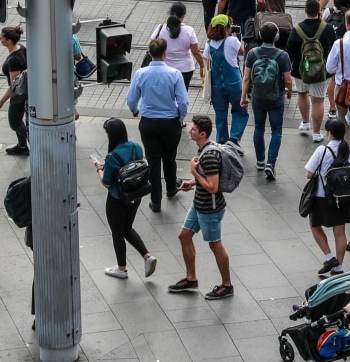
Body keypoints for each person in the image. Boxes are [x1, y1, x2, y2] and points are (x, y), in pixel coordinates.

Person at [167, 116, 233, 300]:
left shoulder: (210, 156)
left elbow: (212, 186)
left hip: (209, 209)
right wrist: (192, 182)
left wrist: (194, 172)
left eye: (194, 129)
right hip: (199, 204)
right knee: (184, 236)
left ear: (202, 134)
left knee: (215, 245)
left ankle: (227, 285)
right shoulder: (205, 149)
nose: (190, 131)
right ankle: (191, 279)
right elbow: (208, 180)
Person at [126, 38, 190, 213]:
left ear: (149, 53)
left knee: (153, 161)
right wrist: (180, 116)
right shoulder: (175, 74)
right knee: (170, 157)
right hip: (170, 122)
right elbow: (183, 101)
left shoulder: (140, 74)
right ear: (165, 53)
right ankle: (171, 188)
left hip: (149, 122)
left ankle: (155, 201)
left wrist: (135, 110)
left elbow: (131, 99)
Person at [92, 118, 157, 280]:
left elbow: (106, 183)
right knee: (127, 228)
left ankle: (122, 268)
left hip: (117, 199)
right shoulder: (136, 147)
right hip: (136, 194)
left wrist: (99, 168)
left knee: (117, 233)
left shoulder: (112, 157)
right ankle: (147, 256)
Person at [242, 21, 294, 181]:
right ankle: (270, 163)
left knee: (258, 128)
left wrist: (243, 97)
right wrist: (289, 93)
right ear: (276, 37)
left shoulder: (252, 54)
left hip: (258, 97)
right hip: (276, 97)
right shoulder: (282, 55)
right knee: (276, 131)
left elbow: (246, 79)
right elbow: (288, 80)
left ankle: (260, 161)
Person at [304, 118, 350, 277]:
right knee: (339, 232)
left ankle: (329, 257)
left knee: (315, 226)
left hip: (322, 196)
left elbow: (309, 174)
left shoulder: (322, 151)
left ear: (330, 133)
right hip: (343, 197)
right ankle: (339, 266)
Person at [287, 0, 337, 139]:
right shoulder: (327, 28)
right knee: (318, 100)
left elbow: (289, 51)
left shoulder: (297, 29)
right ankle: (316, 133)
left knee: (302, 93)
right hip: (322, 71)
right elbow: (332, 49)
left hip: (300, 70)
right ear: (319, 11)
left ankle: (305, 122)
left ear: (305, 11)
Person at [205, 15, 247, 145]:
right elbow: (242, 52)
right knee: (240, 110)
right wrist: (234, 37)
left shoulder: (208, 44)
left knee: (220, 113)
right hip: (234, 82)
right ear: (227, 27)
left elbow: (206, 65)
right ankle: (234, 138)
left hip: (217, 85)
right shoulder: (232, 41)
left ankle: (222, 140)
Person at [0, 26, 30, 155]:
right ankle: (22, 146)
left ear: (8, 41)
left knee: (14, 123)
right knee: (18, 120)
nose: (0, 39)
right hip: (27, 90)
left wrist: (1, 101)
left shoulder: (13, 60)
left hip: (19, 96)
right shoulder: (22, 47)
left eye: (2, 37)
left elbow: (15, 86)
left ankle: (33, 140)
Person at [150, 2, 205, 90]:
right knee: (182, 94)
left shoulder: (161, 28)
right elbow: (196, 52)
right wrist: (202, 66)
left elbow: (151, 45)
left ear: (170, 13)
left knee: (165, 92)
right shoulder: (189, 31)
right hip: (185, 69)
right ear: (183, 15)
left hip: (164, 68)